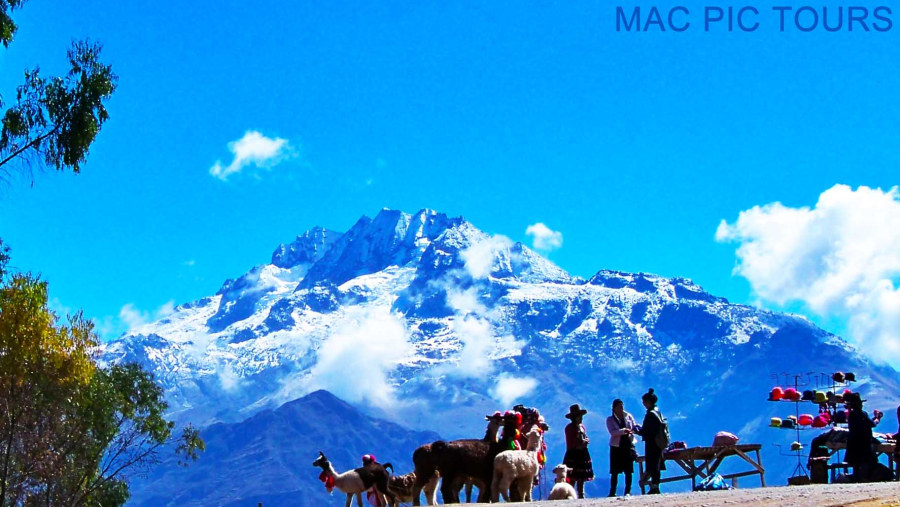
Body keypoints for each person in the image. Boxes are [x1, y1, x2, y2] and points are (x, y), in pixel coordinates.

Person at [845, 392, 882, 482]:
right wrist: (877, 418)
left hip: (854, 443)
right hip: (864, 443)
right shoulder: (861, 413)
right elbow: (871, 424)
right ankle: (865, 478)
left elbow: (866, 423)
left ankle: (857, 478)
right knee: (868, 462)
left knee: (857, 464)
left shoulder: (852, 414)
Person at [606, 399, 638, 497]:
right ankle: (612, 492)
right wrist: (623, 431)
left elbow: (634, 426)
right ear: (614, 408)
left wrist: (633, 430)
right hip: (616, 447)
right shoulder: (610, 419)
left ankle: (627, 491)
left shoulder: (628, 416)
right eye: (619, 406)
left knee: (628, 470)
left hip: (628, 445)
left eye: (622, 406)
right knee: (614, 471)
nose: (621, 408)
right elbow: (612, 432)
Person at [637, 388, 666, 494]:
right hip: (659, 442)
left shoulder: (651, 414)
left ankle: (654, 487)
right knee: (656, 464)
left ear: (648, 402)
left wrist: (639, 431)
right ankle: (655, 485)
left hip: (652, 443)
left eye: (644, 402)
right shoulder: (657, 412)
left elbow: (649, 431)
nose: (643, 404)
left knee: (653, 465)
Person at [563, 403, 594, 499]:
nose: (581, 418)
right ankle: (569, 495)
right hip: (573, 454)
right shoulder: (569, 428)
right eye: (579, 416)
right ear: (574, 417)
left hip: (582, 454)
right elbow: (571, 443)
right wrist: (580, 443)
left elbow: (584, 437)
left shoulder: (582, 427)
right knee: (572, 477)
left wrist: (585, 441)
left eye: (581, 416)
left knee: (581, 478)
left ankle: (581, 495)